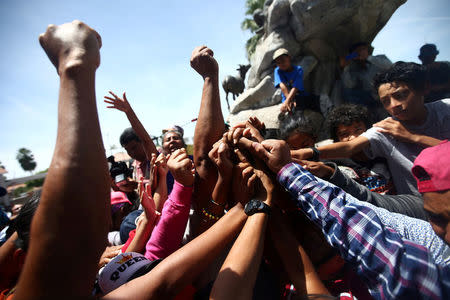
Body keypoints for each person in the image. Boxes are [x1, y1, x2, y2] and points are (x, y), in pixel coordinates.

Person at [243, 138, 450, 299]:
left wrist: (263, 203)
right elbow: (365, 214)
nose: (442, 232)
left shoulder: (435, 259)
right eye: (436, 218)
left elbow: (372, 242)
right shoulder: (425, 230)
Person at [294, 62, 450, 195]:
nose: (393, 105)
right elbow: (349, 147)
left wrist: (413, 137)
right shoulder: (386, 129)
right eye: (386, 101)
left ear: (424, 88)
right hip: (420, 207)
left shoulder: (446, 110)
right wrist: (305, 153)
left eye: (401, 95)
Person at [326, 104, 395, 194]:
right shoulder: (335, 165)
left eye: (358, 130)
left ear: (368, 130)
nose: (353, 137)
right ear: (336, 140)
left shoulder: (383, 151)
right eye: (344, 134)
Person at [273, 48, 321, 114]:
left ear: (289, 58)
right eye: (278, 63)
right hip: (287, 97)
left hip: (300, 96)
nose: (281, 64)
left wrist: (288, 101)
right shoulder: (277, 70)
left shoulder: (298, 70)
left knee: (319, 100)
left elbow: (295, 87)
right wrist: (288, 101)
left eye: (283, 60)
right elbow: (282, 85)